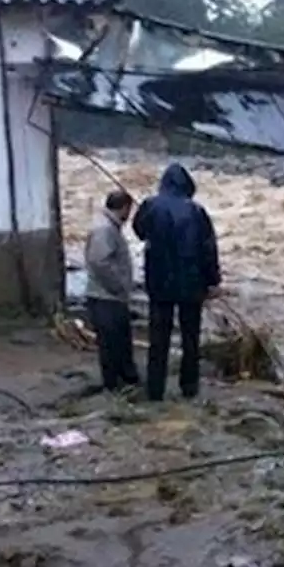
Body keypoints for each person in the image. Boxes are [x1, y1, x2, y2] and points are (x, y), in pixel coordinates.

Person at [131, 163, 222, 402]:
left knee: (158, 339)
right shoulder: (197, 212)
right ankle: (189, 386)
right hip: (192, 285)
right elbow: (208, 250)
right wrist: (213, 281)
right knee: (190, 338)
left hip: (159, 284)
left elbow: (139, 231)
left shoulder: (150, 206)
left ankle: (155, 389)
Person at [83, 188, 141, 393]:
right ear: (124, 208)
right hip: (105, 297)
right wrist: (119, 286)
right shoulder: (104, 229)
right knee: (111, 344)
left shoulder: (107, 226)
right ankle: (114, 386)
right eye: (129, 210)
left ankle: (123, 381)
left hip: (108, 296)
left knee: (119, 342)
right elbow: (99, 262)